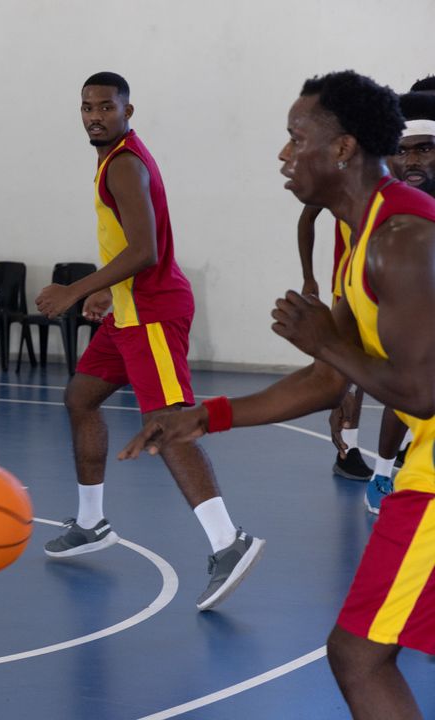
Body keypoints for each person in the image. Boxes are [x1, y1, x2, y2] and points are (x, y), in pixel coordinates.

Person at [121, 70, 435, 720]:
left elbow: (421, 392)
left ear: (343, 148)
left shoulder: (403, 241)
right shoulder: (358, 234)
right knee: (364, 654)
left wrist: (328, 342)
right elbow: (330, 382)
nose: (284, 154)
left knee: (358, 656)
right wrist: (202, 416)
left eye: (297, 139)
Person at [34, 72, 264, 612]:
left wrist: (75, 290)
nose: (95, 116)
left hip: (155, 314)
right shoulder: (112, 158)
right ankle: (91, 522)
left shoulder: (125, 165)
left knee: (168, 422)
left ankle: (228, 542)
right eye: (86, 107)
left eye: (105, 107)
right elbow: (129, 249)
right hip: (130, 311)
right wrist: (108, 293)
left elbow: (144, 249)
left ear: (128, 110)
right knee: (81, 397)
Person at [365, 90, 435, 515]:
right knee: (406, 379)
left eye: (424, 150)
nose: (411, 161)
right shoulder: (388, 214)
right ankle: (382, 472)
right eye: (402, 151)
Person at [296, 205, 372, 482]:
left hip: (392, 285)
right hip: (351, 287)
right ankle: (347, 450)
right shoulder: (342, 179)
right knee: (354, 372)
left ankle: (406, 444)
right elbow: (307, 217)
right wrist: (308, 276)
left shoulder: (405, 179)